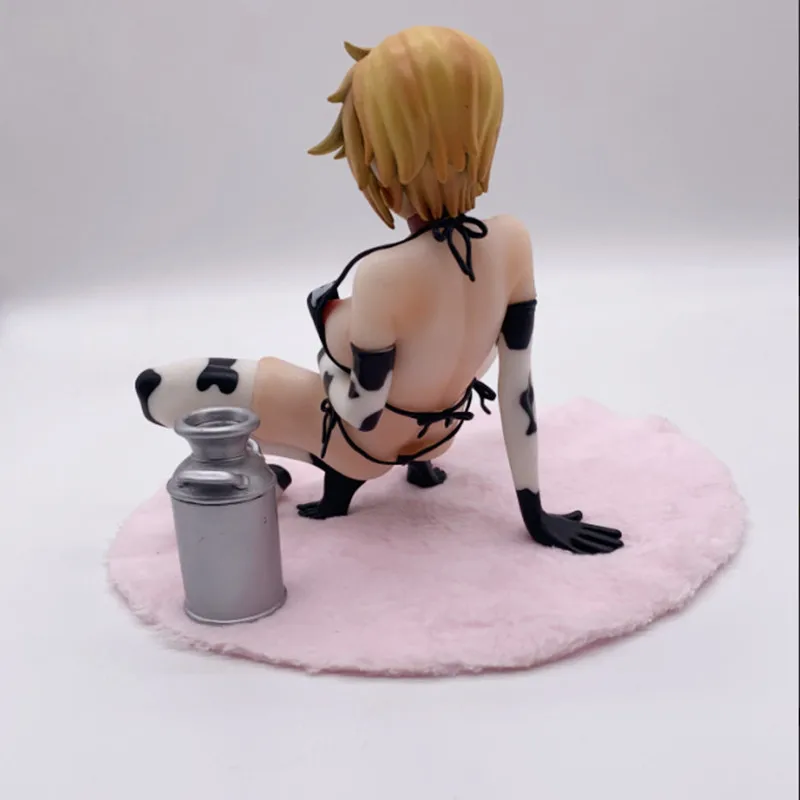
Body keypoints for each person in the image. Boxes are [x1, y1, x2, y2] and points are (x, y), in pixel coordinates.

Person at [134, 26, 623, 554]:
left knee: (166, 386)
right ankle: (416, 468)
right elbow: (516, 388)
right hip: (442, 433)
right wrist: (535, 514)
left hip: (365, 447)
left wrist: (325, 350)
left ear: (383, 159)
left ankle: (261, 470)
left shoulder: (383, 275)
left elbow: (362, 412)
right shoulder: (512, 241)